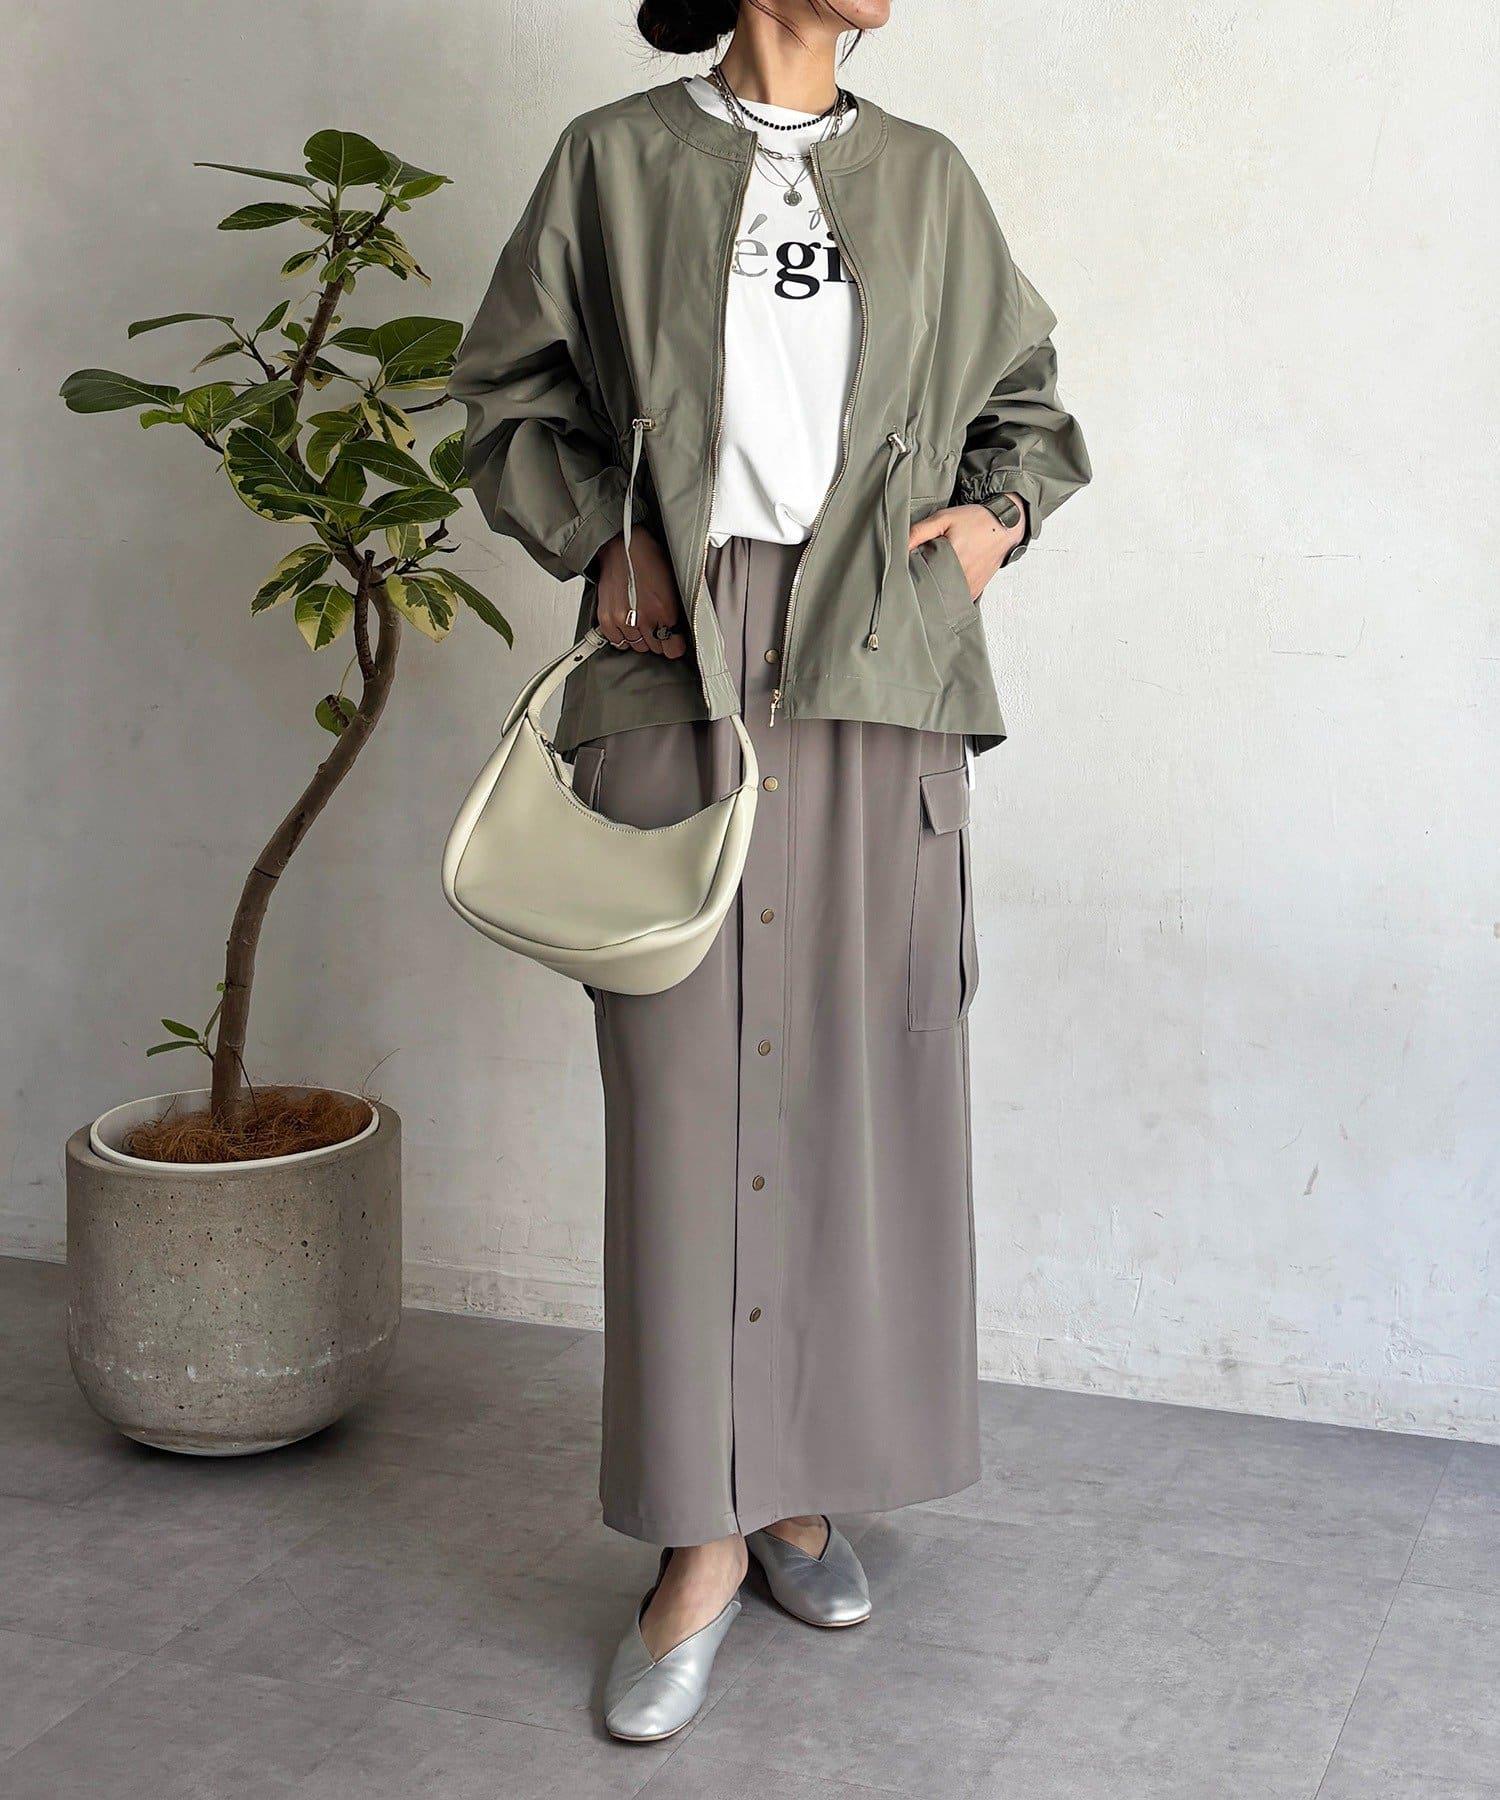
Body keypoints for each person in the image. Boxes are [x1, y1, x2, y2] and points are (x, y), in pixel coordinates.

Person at [449, 0, 1090, 1742]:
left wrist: (993, 527)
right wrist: (602, 544)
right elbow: (502, 396)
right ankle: (698, 1536)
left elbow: (1028, 412)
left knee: (850, 1098)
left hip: (881, 663)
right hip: (689, 656)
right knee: (685, 1111)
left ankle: (799, 1490)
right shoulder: (615, 162)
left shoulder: (929, 180)